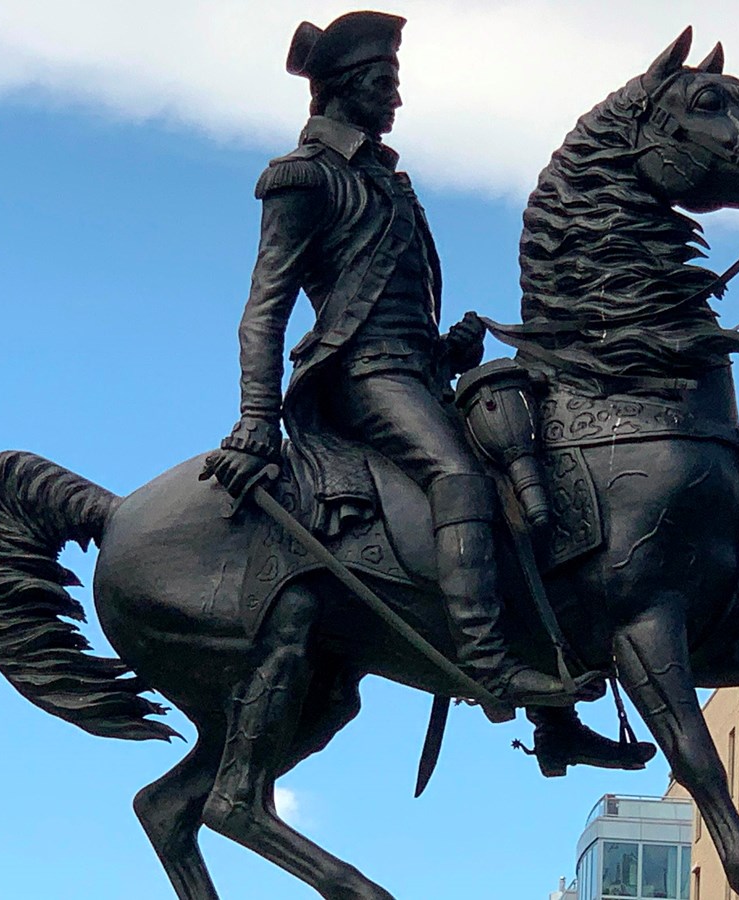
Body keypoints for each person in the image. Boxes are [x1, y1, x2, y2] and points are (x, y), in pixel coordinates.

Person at [200, 10, 572, 710]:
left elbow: (390, 302)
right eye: (382, 82)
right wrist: (256, 419)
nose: (396, 97)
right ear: (343, 87)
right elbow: (266, 306)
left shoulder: (390, 181)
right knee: (459, 476)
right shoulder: (303, 177)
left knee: (530, 477)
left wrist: (445, 349)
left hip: (416, 372)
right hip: (361, 377)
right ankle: (488, 665)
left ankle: (558, 700)